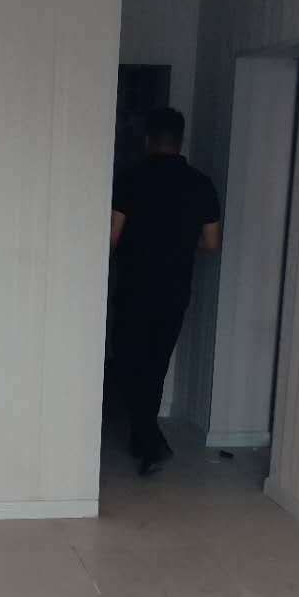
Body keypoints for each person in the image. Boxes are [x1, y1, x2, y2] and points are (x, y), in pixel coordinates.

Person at [110, 106, 222, 475]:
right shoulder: (201, 184)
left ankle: (148, 440)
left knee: (128, 360)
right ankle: (146, 439)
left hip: (133, 284)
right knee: (155, 363)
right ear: (180, 139)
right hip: (175, 287)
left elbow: (112, 236)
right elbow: (212, 243)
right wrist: (179, 244)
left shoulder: (130, 179)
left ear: (147, 139)